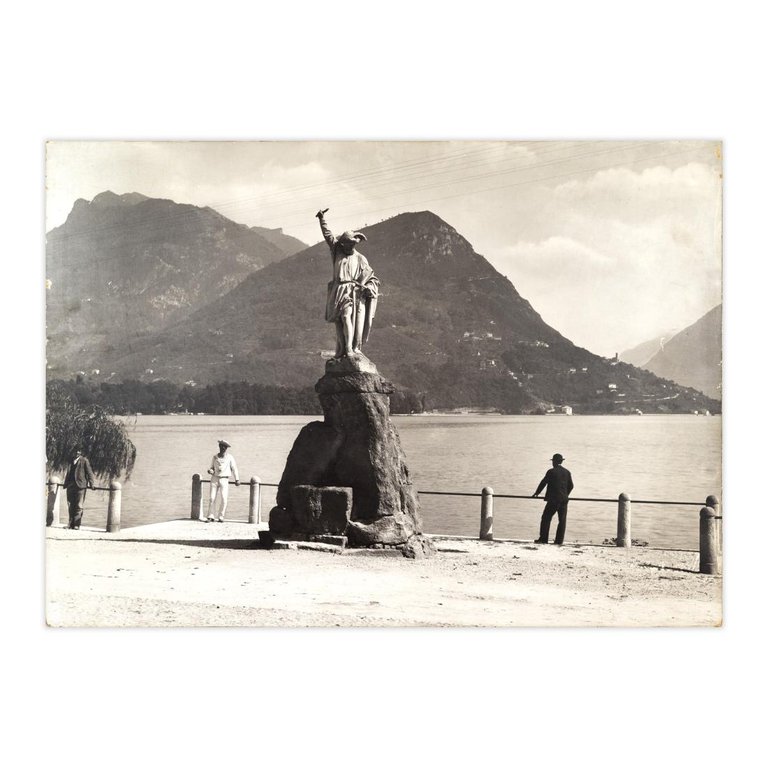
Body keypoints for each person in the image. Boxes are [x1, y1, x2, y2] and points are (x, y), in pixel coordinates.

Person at [316, 208, 380, 359]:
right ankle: (340, 350)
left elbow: (371, 277)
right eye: (345, 244)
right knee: (338, 321)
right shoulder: (337, 251)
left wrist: (368, 287)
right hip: (337, 289)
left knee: (346, 317)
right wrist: (321, 219)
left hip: (351, 291)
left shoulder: (360, 258)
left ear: (354, 244)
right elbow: (328, 235)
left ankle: (350, 348)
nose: (347, 247)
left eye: (350, 244)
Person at [532, 453, 574, 545]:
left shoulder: (551, 472)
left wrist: (537, 493)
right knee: (562, 520)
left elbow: (543, 483)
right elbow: (571, 486)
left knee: (546, 518)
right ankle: (559, 541)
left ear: (554, 462)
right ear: (561, 462)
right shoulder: (567, 472)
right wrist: (565, 494)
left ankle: (543, 539)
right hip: (564, 500)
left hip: (553, 499)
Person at [63, 447, 96, 529]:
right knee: (70, 505)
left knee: (79, 505)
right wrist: (66, 483)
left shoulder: (84, 461)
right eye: (75, 451)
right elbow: (68, 473)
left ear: (81, 452)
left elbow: (90, 473)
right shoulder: (70, 460)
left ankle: (77, 524)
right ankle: (70, 524)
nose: (77, 452)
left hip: (80, 486)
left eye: (78, 451)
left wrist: (92, 484)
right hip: (70, 485)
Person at [206, 439, 239, 522]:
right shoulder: (215, 457)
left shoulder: (230, 457)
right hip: (214, 478)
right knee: (212, 498)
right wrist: (210, 471)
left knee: (224, 498)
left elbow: (234, 468)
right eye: (221, 446)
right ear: (219, 446)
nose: (223, 448)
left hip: (224, 479)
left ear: (226, 448)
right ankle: (210, 516)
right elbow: (212, 468)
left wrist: (237, 479)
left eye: (224, 447)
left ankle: (221, 516)